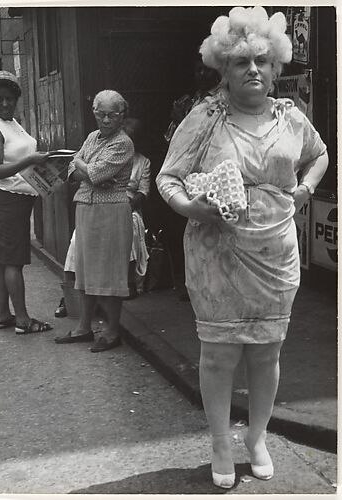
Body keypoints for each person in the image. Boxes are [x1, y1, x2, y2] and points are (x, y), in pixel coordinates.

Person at [156, 6, 328, 489]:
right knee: (218, 355)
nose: (253, 69)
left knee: (267, 354)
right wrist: (193, 208)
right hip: (217, 250)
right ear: (223, 69)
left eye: (262, 60)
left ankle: (257, 437)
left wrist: (305, 189)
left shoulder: (292, 118)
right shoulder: (205, 117)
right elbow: (167, 177)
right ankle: (218, 441)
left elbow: (320, 156)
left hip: (277, 252)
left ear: (276, 68)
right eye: (240, 62)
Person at [54, 90, 134, 352]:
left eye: (113, 114)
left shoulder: (123, 143)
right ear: (95, 114)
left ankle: (112, 332)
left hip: (111, 212)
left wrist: (82, 164)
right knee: (85, 268)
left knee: (109, 272)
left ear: (122, 116)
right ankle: (84, 327)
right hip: (86, 208)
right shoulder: (92, 137)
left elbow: (97, 174)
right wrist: (82, 165)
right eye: (101, 114)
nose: (107, 120)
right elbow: (70, 171)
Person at [0, 70, 53, 334]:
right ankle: (22, 320)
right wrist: (31, 160)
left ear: (16, 99)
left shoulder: (12, 122)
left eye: (10, 99)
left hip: (18, 201)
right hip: (5, 201)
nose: (5, 104)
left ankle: (3, 315)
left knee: (4, 259)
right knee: (13, 262)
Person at [164, 54, 221, 301]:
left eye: (208, 70)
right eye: (198, 70)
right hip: (186, 177)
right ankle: (190, 283)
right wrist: (178, 119)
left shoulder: (222, 101)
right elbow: (169, 140)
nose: (202, 75)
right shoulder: (187, 102)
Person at [123, 118, 151, 298]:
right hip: (105, 204)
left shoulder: (143, 162)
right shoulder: (109, 155)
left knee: (129, 229)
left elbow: (143, 191)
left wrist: (127, 206)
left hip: (129, 207)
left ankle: (128, 282)